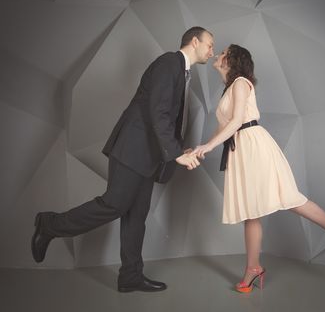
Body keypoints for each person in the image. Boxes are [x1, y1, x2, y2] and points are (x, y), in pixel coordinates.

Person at [31, 27, 214, 293]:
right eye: (209, 44)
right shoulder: (169, 62)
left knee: (135, 216)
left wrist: (176, 152)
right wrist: (176, 154)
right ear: (194, 42)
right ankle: (49, 224)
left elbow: (166, 118)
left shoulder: (181, 71)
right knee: (114, 204)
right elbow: (158, 111)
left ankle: (130, 276)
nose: (212, 50)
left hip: (148, 156)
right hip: (133, 149)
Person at [192, 44, 325, 293]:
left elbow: (237, 121)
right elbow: (225, 126)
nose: (218, 53)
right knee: (251, 211)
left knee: (289, 199)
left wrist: (210, 146)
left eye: (224, 51)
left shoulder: (240, 83)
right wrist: (202, 146)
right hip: (240, 149)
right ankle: (253, 268)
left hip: (253, 145)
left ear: (234, 59)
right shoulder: (228, 88)